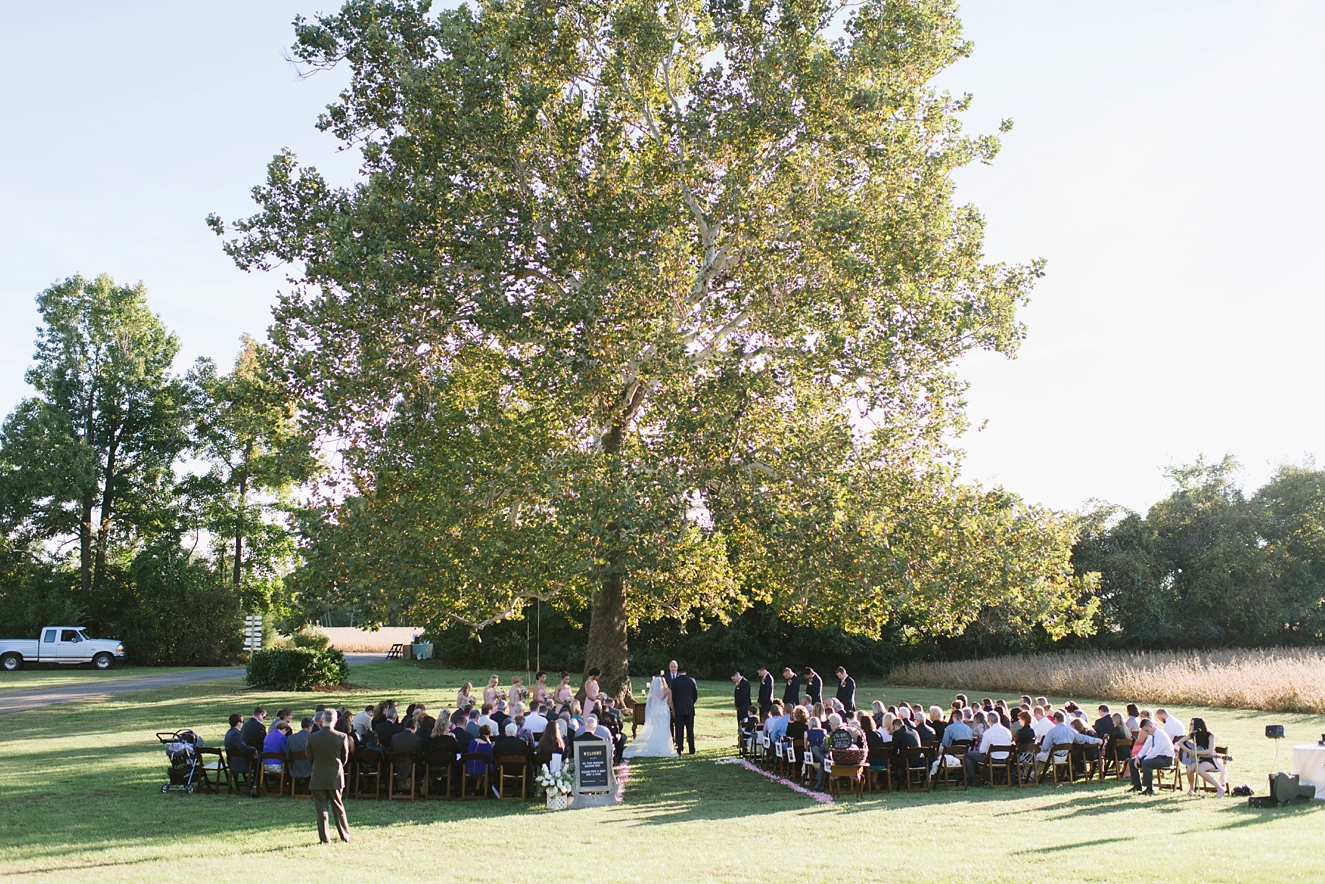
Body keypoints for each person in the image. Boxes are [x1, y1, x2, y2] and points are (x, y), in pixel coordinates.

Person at [306, 710, 351, 843]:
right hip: (335, 776)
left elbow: (309, 758)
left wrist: (317, 767)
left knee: (321, 809)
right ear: (335, 720)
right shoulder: (341, 736)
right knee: (338, 806)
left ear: (322, 720)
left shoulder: (312, 737)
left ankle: (325, 838)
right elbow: (344, 758)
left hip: (318, 775)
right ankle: (345, 835)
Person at [624, 675, 675, 758]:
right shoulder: (668, 690)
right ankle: (665, 747)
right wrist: (673, 711)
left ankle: (655, 746)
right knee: (665, 728)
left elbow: (651, 702)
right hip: (665, 711)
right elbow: (671, 702)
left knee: (657, 728)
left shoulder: (654, 692)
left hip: (657, 711)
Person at [1181, 717, 1225, 797]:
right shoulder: (1193, 735)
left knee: (1199, 769)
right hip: (1200, 758)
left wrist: (1196, 752)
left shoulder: (1210, 736)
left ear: (1198, 725)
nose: (1190, 726)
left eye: (1192, 724)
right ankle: (1191, 789)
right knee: (1190, 768)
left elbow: (1210, 751)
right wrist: (1189, 751)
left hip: (1211, 759)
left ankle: (1220, 788)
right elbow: (1180, 742)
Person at [1130, 718, 1174, 796]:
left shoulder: (1161, 735)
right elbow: (1145, 747)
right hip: (1157, 756)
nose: (1147, 732)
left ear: (1151, 726)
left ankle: (1149, 788)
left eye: (1147, 730)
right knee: (1132, 761)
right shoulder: (1151, 735)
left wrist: (1145, 759)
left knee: (1146, 763)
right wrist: (1138, 757)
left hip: (1165, 758)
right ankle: (1137, 785)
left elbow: (1155, 751)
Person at [671, 667, 699, 755]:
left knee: (680, 729)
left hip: (679, 708)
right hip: (689, 709)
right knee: (690, 729)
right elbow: (695, 695)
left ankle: (680, 748)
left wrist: (675, 706)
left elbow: (673, 696)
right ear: (685, 673)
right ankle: (692, 749)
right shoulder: (691, 681)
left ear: (678, 673)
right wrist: (691, 703)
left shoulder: (675, 682)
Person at [390, 717, 422, 791]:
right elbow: (420, 756)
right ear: (415, 727)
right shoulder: (417, 739)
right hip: (411, 766)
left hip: (396, 766)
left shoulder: (394, 737)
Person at [225, 713, 256, 781]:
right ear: (238, 723)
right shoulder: (235, 734)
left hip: (233, 761)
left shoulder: (229, 732)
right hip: (239, 763)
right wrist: (254, 749)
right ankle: (256, 784)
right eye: (242, 722)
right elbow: (243, 748)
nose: (243, 723)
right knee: (259, 762)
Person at [287, 717, 314, 783]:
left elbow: (287, 755)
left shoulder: (290, 738)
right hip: (310, 769)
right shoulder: (312, 738)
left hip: (296, 767)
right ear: (309, 727)